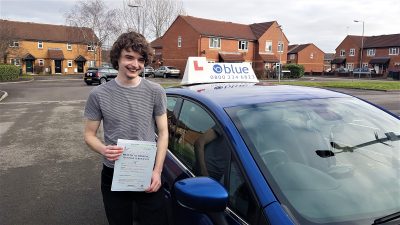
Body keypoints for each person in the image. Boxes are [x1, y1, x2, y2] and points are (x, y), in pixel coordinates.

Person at [84, 31, 168, 225]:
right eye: (129, 57)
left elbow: (163, 133)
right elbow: (89, 135)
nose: (135, 64)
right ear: (117, 59)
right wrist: (104, 149)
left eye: (140, 59)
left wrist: (157, 170)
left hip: (147, 172)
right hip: (114, 173)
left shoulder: (156, 91)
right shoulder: (99, 94)